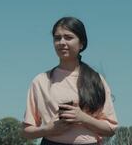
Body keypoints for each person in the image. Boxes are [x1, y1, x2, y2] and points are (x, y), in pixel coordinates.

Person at [22, 17, 118, 145]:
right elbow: (25, 131)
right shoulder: (40, 81)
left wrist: (82, 118)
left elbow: (111, 129)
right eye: (57, 38)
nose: (62, 42)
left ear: (81, 44)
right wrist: (48, 129)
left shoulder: (96, 80)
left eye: (68, 37)